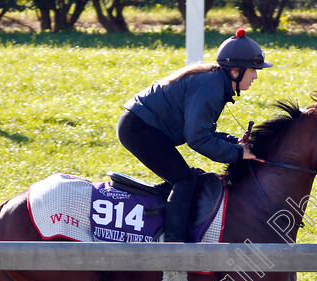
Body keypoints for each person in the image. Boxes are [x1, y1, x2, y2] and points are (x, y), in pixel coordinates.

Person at [117, 29, 273, 242]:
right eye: (253, 70)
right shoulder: (211, 87)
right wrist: (238, 154)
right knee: (184, 181)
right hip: (138, 129)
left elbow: (203, 132)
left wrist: (234, 142)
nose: (255, 76)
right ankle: (175, 247)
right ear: (235, 71)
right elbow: (197, 139)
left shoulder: (216, 82)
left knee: (183, 178)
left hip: (143, 126)